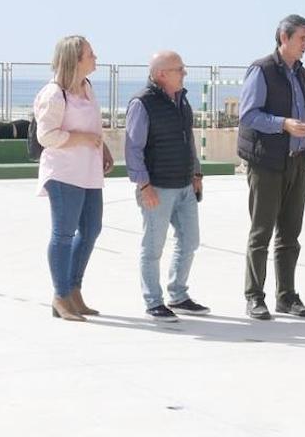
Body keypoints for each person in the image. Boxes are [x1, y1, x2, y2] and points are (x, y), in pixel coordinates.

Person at [237, 13, 305, 320]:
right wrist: (283, 124)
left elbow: (296, 116)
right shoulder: (261, 70)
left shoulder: (300, 72)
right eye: (302, 39)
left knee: (290, 234)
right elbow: (249, 115)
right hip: (267, 163)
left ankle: (286, 296)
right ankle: (254, 296)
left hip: (297, 162)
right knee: (261, 232)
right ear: (284, 38)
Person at [33, 35, 114, 322]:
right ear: (75, 60)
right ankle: (60, 295)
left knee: (91, 229)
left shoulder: (87, 87)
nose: (96, 57)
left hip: (89, 171)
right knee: (64, 234)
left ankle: (74, 289)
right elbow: (46, 136)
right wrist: (81, 138)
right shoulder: (54, 94)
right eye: (90, 54)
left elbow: (93, 125)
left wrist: (102, 147)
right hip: (64, 173)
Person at [125, 51, 208, 322]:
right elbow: (133, 148)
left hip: (185, 185)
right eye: (179, 69)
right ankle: (153, 301)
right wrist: (144, 185)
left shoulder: (181, 100)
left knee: (190, 241)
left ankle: (178, 295)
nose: (184, 73)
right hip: (157, 188)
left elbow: (188, 140)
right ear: (161, 74)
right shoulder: (142, 103)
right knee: (153, 248)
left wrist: (196, 172)